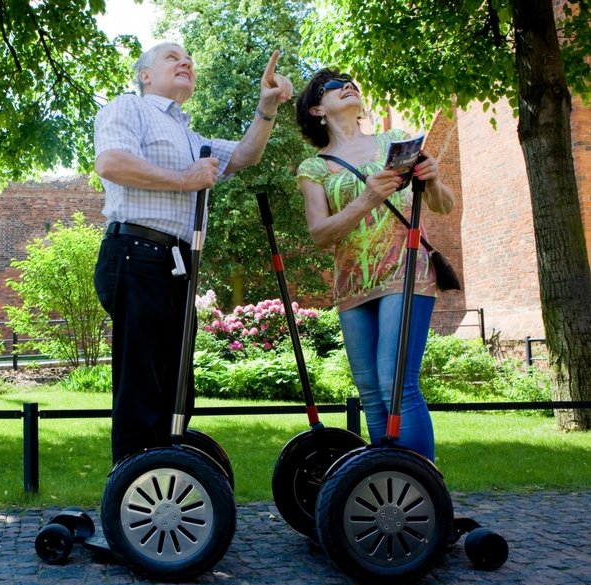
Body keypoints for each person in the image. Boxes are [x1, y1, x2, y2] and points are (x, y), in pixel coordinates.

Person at [94, 43, 293, 463]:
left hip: (175, 262)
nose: (185, 62)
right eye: (171, 57)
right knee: (143, 384)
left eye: (189, 59)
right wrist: (183, 179)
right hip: (135, 252)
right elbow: (111, 162)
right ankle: (133, 491)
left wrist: (267, 106)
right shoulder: (128, 108)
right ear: (145, 75)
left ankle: (166, 472)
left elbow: (243, 155)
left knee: (176, 386)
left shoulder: (190, 136)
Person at [294, 68, 456, 462]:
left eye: (352, 83)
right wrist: (364, 200)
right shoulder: (314, 168)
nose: (348, 87)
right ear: (317, 108)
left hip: (405, 273)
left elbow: (443, 205)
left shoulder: (394, 143)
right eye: (334, 86)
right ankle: (388, 484)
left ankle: (423, 489)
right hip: (352, 285)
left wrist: (433, 180)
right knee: (370, 392)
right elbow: (320, 234)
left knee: (396, 384)